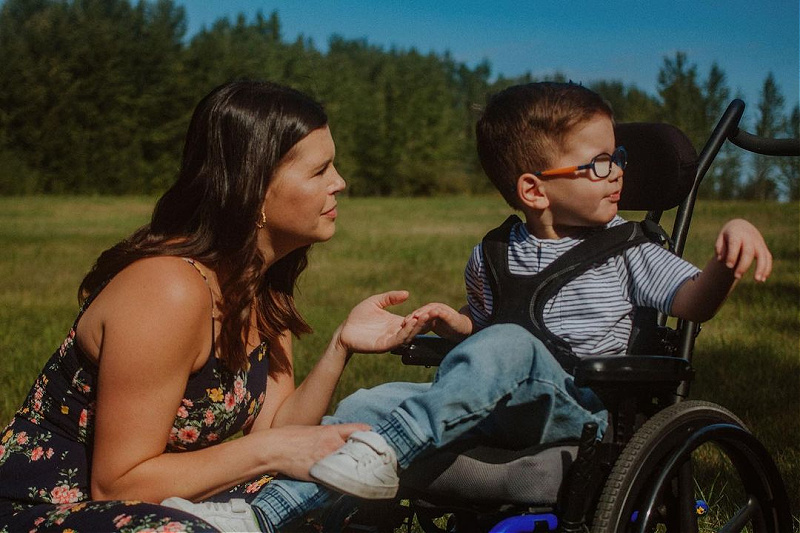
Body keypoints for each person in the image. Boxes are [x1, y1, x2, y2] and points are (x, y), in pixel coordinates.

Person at [305, 81, 773, 500]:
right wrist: (460, 325)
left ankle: (391, 449)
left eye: (618, 158)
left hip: (582, 407)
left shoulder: (627, 250)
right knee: (362, 404)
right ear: (534, 191)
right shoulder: (492, 254)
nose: (617, 173)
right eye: (599, 164)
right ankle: (266, 511)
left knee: (508, 346)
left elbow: (694, 302)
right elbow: (489, 336)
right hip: (501, 408)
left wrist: (724, 263)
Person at [0, 80, 421, 533]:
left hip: (163, 502)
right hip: (51, 510)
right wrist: (275, 453)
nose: (340, 183)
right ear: (255, 188)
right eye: (320, 171)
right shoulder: (168, 289)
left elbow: (275, 429)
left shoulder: (258, 285)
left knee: (346, 496)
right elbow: (117, 483)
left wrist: (341, 344)